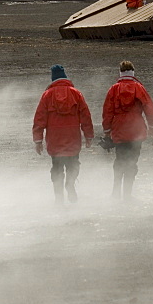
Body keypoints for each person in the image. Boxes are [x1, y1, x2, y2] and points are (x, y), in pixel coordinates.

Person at [33, 64, 94, 204]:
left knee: (57, 167)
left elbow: (39, 119)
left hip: (54, 138)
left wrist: (38, 140)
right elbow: (85, 116)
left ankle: (58, 197)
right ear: (65, 76)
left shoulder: (47, 96)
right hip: (73, 137)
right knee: (73, 164)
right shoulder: (76, 94)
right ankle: (70, 184)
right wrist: (88, 136)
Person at [102, 60, 153, 200]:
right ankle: (128, 194)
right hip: (136, 129)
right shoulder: (139, 88)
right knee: (132, 162)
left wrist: (107, 131)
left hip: (119, 128)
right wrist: (152, 127)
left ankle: (115, 192)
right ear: (133, 72)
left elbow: (107, 112)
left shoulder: (113, 89)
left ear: (120, 72)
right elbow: (149, 108)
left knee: (119, 160)